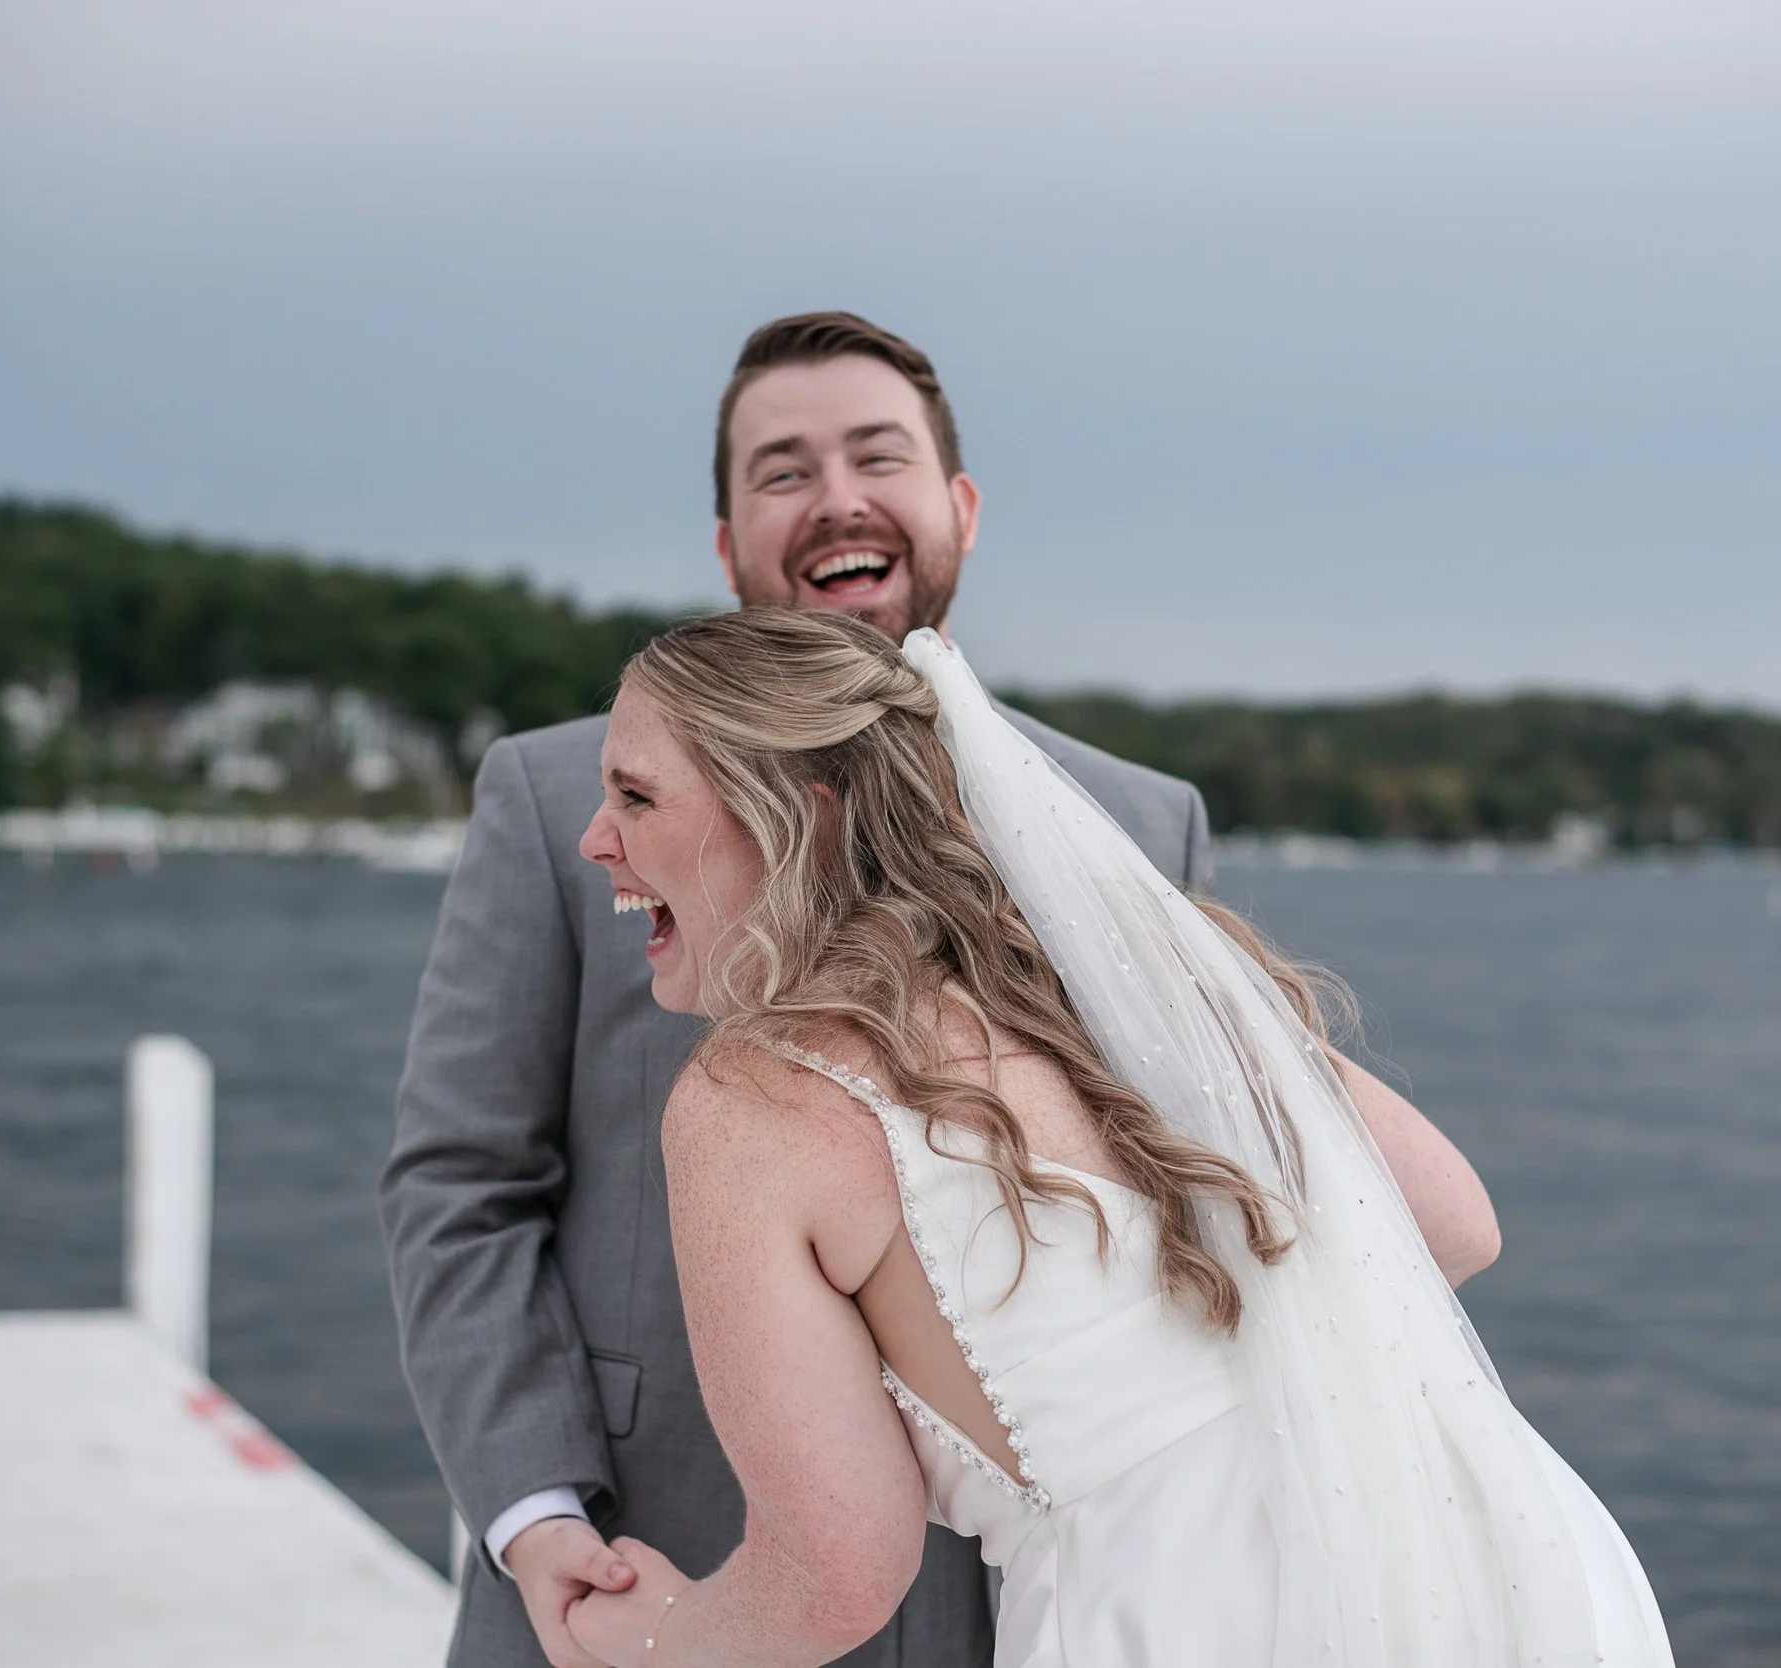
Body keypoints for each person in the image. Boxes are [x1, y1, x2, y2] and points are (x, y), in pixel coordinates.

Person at [560, 609, 1674, 1667]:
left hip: (1189, 1615)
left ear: (800, 814)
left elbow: (840, 1572)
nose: (593, 837)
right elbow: (1453, 1226)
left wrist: (651, 1639)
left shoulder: (753, 1103)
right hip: (1497, 1556)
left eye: (636, 796)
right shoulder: (1124, 978)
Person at [379, 313, 1215, 1668]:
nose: (836, 497)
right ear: (726, 544)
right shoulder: (556, 801)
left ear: (958, 507)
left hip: (1029, 1615)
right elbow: (459, 1186)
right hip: (653, 1562)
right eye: (782, 469)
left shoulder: (1132, 826)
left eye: (876, 456)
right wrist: (537, 1514)